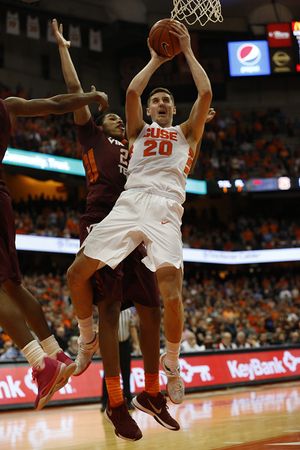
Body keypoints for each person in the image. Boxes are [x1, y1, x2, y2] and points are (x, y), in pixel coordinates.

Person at [66, 19, 212, 408]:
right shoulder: (137, 131)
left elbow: (206, 90)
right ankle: (86, 339)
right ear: (148, 110)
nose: (162, 103)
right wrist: (155, 59)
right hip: (130, 202)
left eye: (167, 101)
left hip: (166, 207)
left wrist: (187, 50)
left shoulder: (188, 133)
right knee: (76, 274)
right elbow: (131, 90)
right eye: (156, 101)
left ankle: (173, 366)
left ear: (175, 110)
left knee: (172, 296)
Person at [53, 19, 179, 442]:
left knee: (152, 307)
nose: (117, 122)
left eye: (119, 120)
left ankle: (152, 392)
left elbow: (174, 144)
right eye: (112, 119)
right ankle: (115, 400)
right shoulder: (91, 136)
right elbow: (75, 94)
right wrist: (64, 49)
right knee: (109, 310)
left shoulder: (137, 144)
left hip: (138, 228)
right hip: (103, 223)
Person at [0, 88, 109, 411]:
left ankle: (40, 363)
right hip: (3, 197)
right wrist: (90, 98)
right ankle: (54, 352)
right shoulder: (9, 106)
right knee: (12, 285)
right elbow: (56, 104)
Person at [101, 308, 140, 412]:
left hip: (125, 345)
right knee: (108, 373)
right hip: (110, 345)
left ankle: (128, 400)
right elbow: (100, 328)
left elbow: (132, 328)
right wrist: (99, 346)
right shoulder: (106, 308)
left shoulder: (128, 311)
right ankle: (105, 402)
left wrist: (136, 344)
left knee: (126, 373)